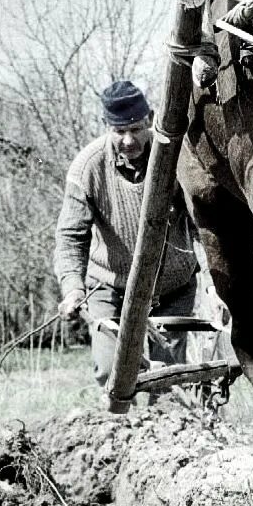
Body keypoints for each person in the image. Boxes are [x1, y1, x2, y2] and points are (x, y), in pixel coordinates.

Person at [54, 79, 199, 389]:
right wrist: (73, 289)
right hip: (111, 286)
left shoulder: (175, 157)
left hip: (172, 287)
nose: (129, 140)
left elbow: (202, 220)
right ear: (108, 127)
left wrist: (217, 284)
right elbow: (70, 237)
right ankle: (124, 430)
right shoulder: (87, 168)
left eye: (136, 128)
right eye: (120, 131)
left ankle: (166, 431)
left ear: (149, 119)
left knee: (167, 383)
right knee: (111, 373)